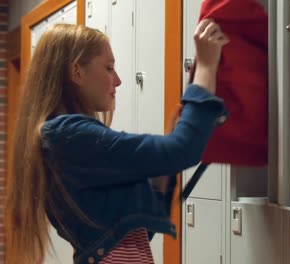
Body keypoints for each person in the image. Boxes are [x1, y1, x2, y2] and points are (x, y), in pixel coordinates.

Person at [5, 20, 229, 264]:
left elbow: (138, 232)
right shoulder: (68, 135)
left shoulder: (66, 139)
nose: (118, 80)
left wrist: (166, 161)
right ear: (77, 72)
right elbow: (182, 151)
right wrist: (207, 67)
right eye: (109, 68)